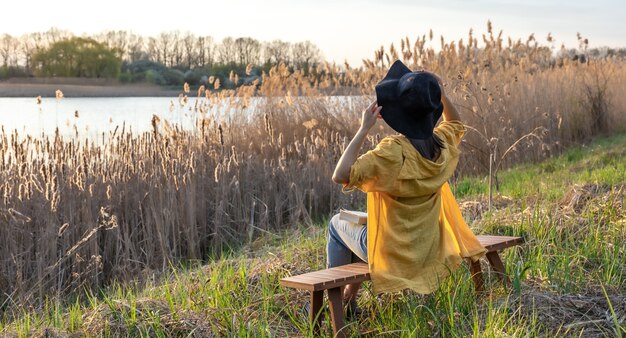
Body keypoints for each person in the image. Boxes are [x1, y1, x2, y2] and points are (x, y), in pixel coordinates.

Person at [328, 60, 486, 315]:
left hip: (393, 250)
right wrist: (441, 93)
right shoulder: (443, 146)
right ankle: (349, 297)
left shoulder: (393, 152)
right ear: (431, 109)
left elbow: (340, 175)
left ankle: (341, 306)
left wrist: (363, 128)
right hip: (427, 244)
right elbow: (456, 124)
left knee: (337, 224)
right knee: (361, 223)